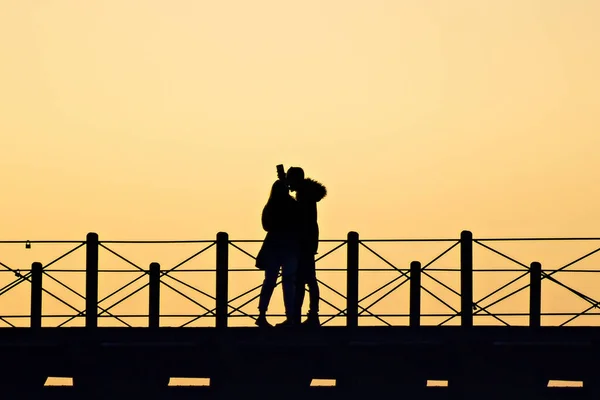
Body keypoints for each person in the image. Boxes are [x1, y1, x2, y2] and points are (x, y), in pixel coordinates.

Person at [283, 167, 327, 327]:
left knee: (303, 281)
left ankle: (300, 317)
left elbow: (298, 217)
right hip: (308, 241)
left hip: (304, 242)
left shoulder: (303, 196)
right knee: (308, 280)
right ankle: (308, 315)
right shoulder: (307, 194)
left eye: (289, 179)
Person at [255, 179, 300, 327]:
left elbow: (266, 226)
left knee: (269, 281)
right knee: (288, 282)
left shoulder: (270, 206)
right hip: (290, 247)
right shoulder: (293, 205)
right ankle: (290, 317)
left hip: (273, 247)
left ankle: (262, 314)